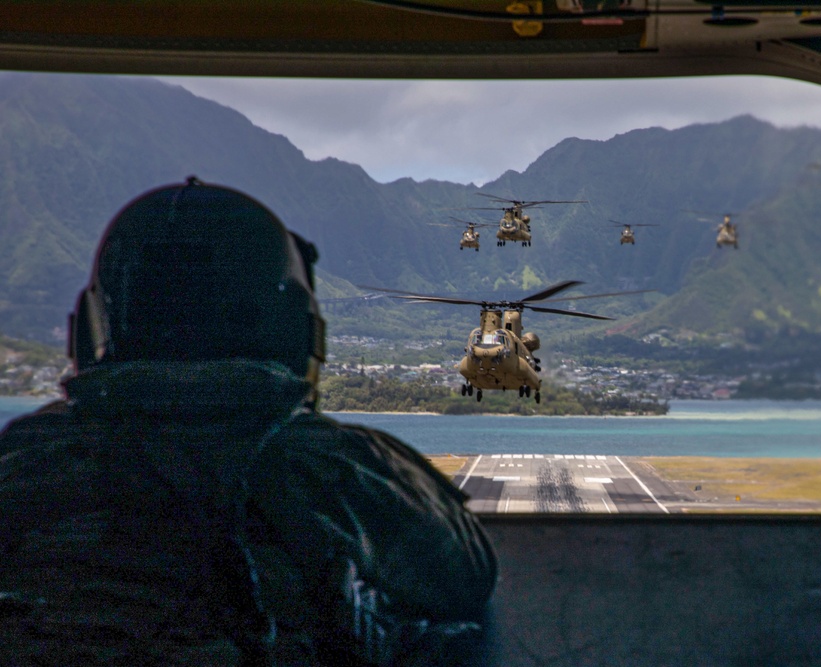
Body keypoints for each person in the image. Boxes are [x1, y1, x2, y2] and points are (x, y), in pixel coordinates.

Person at [0, 177, 497, 666]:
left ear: (90, 331)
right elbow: (466, 573)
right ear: (295, 331)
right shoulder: (343, 468)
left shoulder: (25, 455)